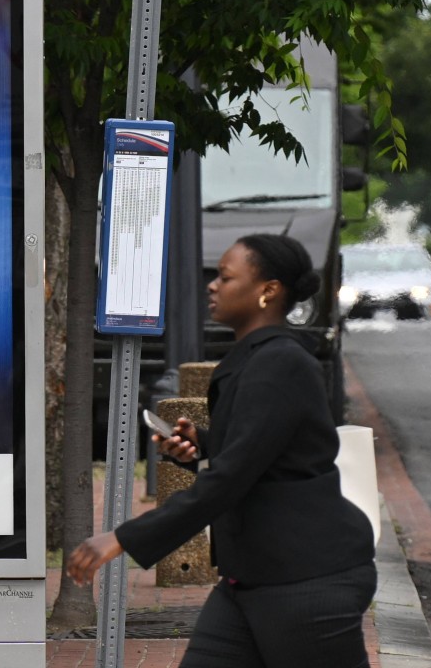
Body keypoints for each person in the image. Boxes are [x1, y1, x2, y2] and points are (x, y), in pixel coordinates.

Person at [67, 233, 376, 668]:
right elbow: (262, 452)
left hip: (307, 580)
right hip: (249, 579)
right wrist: (203, 446)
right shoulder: (254, 359)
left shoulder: (281, 363)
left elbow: (232, 477)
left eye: (226, 277)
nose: (212, 285)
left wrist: (121, 537)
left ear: (268, 290)